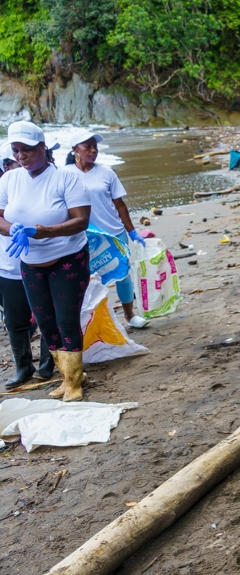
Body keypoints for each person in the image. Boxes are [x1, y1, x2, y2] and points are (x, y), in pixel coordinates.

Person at [0, 122, 91, 402]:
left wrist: (46, 231)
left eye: (27, 150)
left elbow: (81, 220)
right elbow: (0, 217)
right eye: (16, 151)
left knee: (66, 320)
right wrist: (12, 228)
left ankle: (75, 381)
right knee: (45, 322)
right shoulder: (9, 180)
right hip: (30, 264)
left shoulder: (66, 178)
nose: (21, 156)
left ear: (43, 148)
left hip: (67, 260)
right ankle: (65, 376)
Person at [64, 131, 149, 328]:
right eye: (88, 147)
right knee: (89, 279)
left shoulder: (106, 173)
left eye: (95, 147)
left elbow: (119, 205)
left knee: (123, 274)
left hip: (113, 231)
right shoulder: (66, 174)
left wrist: (132, 231)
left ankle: (130, 315)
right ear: (75, 149)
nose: (93, 151)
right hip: (86, 235)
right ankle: (95, 322)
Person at [0, 141, 54, 388]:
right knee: (15, 320)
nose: (18, 162)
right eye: (13, 159)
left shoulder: (37, 184)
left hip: (38, 264)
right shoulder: (7, 188)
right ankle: (23, 367)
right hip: (7, 267)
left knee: (46, 316)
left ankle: (48, 364)